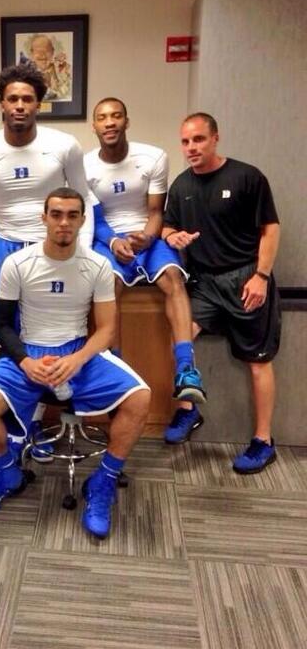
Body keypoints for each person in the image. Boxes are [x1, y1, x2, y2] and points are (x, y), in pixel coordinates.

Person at [0, 188, 150, 539]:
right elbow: (3, 326)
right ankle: (7, 474)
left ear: (82, 220)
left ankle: (102, 482)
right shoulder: (17, 263)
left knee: (140, 397)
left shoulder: (97, 265)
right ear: (44, 217)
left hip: (78, 349)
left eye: (72, 215)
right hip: (28, 351)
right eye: (56, 214)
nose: (63, 222)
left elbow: (107, 329)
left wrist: (78, 360)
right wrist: (24, 362)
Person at [0, 61, 95, 461]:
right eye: (12, 99)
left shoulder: (64, 146)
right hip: (6, 250)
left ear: (39, 104)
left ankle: (38, 419)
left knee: (50, 334)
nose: (19, 105)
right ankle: (14, 423)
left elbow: (84, 199)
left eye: (27, 99)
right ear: (1, 104)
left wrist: (83, 252)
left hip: (54, 251)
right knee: (9, 340)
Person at [162, 112, 281, 473]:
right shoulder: (181, 186)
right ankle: (188, 409)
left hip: (245, 278)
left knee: (258, 361)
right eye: (185, 141)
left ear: (216, 138)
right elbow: (168, 225)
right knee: (180, 337)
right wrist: (172, 237)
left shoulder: (247, 177)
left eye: (198, 139)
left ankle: (264, 441)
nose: (191, 148)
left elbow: (270, 229)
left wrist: (261, 275)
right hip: (204, 282)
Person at [84, 97, 206, 441]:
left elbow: (156, 210)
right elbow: (96, 219)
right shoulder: (84, 165)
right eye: (102, 118)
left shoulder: (153, 156)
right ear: (94, 126)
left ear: (126, 121)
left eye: (116, 116)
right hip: (106, 240)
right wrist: (112, 243)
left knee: (172, 277)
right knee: (107, 285)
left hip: (148, 235)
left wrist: (148, 238)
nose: (109, 122)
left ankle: (186, 369)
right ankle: (117, 371)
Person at [25, 34, 72, 101]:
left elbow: (66, 93)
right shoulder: (24, 73)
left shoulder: (64, 69)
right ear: (32, 53)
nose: (43, 55)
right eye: (38, 51)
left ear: (53, 52)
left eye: (47, 51)